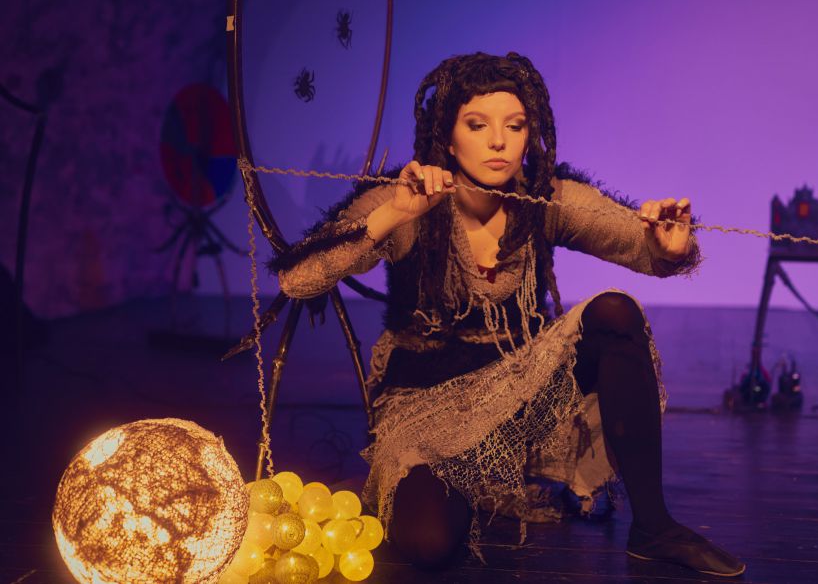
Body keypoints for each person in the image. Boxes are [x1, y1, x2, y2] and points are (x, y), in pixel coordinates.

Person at [272, 52, 745, 577]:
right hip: (427, 408)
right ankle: (477, 482)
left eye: (514, 126)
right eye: (478, 125)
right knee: (428, 543)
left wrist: (670, 245)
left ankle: (653, 528)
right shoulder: (409, 200)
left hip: (519, 390)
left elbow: (644, 247)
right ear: (449, 138)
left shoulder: (544, 196)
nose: (498, 142)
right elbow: (297, 280)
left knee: (614, 313)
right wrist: (393, 214)